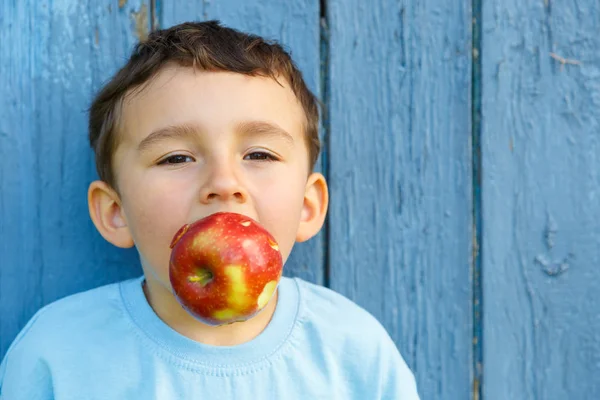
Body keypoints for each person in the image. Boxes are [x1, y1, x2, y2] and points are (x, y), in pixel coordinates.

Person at [0, 21, 420, 399]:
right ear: (116, 212)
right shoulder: (58, 353)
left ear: (308, 206)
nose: (223, 183)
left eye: (258, 153)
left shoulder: (352, 351)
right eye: (177, 159)